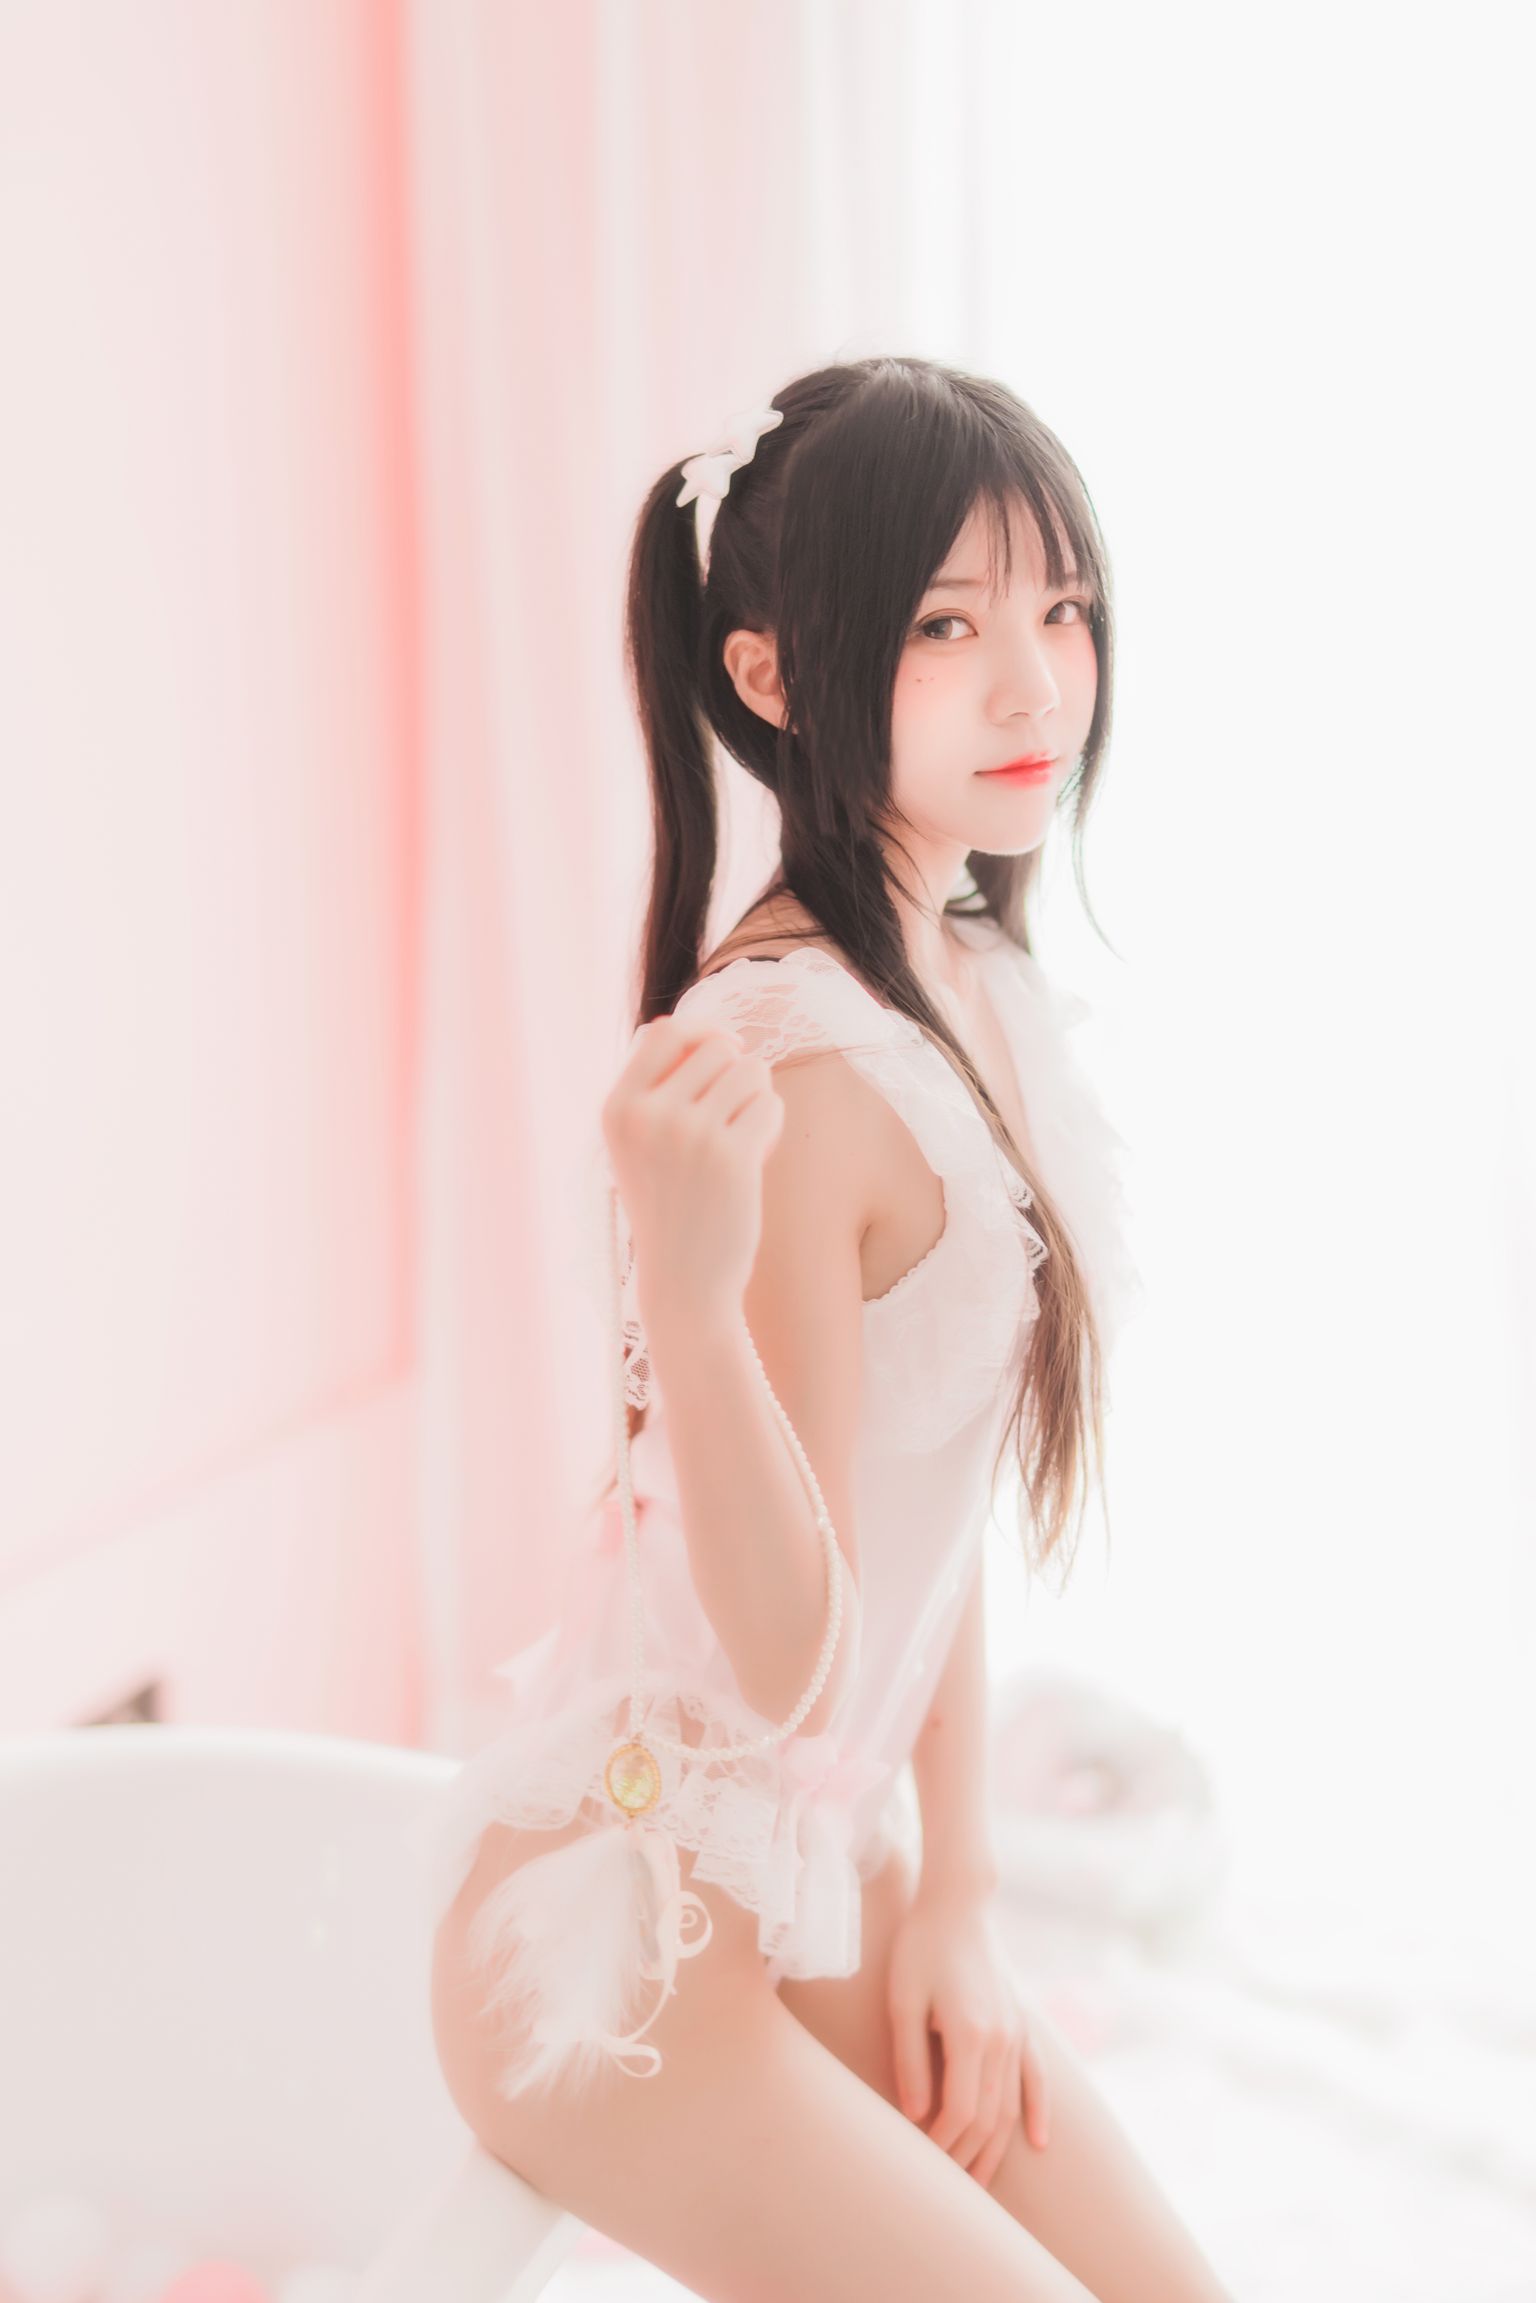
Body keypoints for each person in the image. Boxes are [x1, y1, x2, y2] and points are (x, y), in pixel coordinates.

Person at [429, 356, 1235, 2302]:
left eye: (1061, 610)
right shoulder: (785, 1064)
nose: (1034, 686)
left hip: (823, 1878)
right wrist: (693, 1305)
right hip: (630, 1933)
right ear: (774, 675)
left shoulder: (963, 981)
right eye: (947, 626)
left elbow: (928, 1505)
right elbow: (789, 1661)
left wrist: (960, 1891)